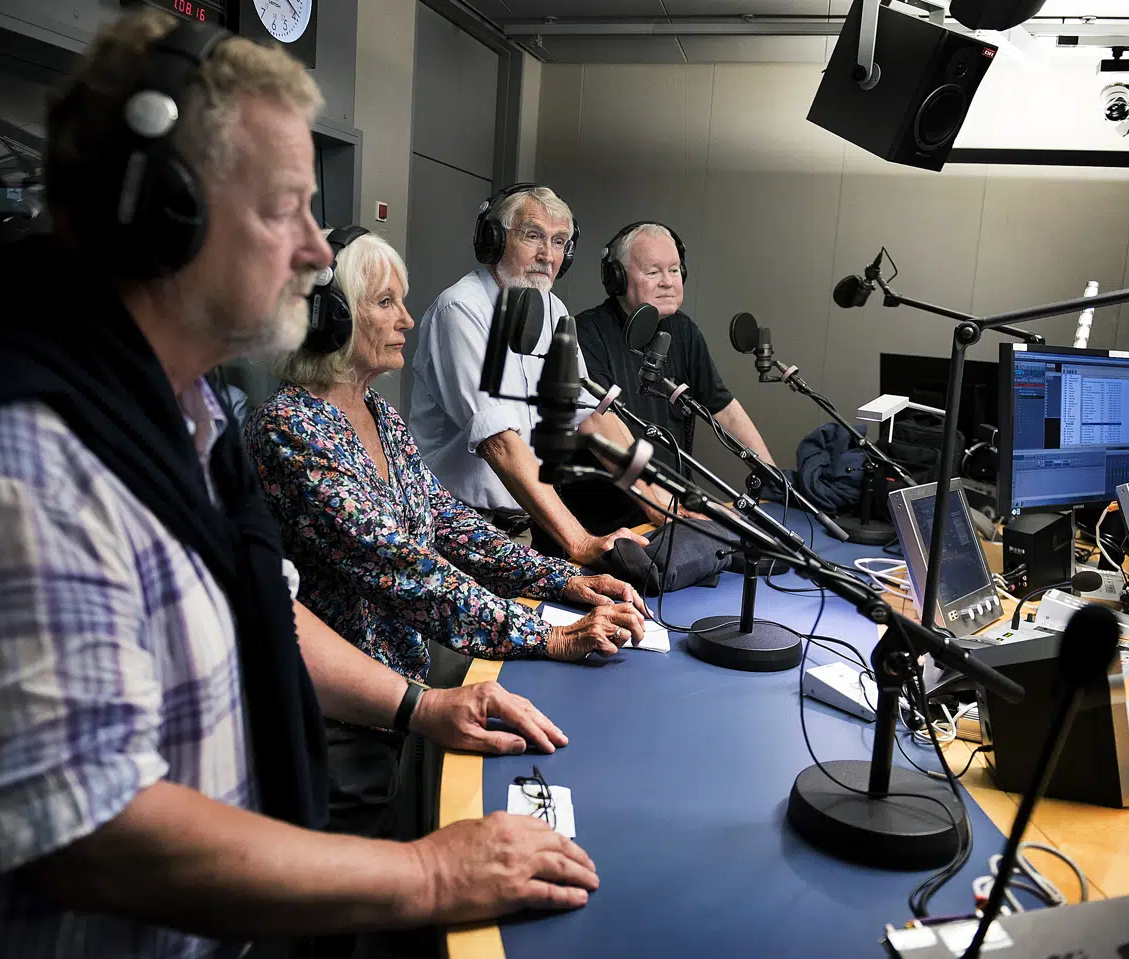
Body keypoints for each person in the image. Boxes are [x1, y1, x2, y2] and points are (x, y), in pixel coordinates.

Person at [0, 14, 597, 959]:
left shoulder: (181, 408)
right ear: (167, 215)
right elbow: (95, 835)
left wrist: (423, 706)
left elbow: (268, 608)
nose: (315, 252)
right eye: (285, 209)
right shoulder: (14, 462)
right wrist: (429, 874)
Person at [249, 226, 649, 838]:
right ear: (329, 317)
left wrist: (565, 579)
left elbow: (447, 524)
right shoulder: (291, 429)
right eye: (386, 303)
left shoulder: (379, 416)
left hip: (397, 699)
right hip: (336, 723)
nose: (407, 320)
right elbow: (401, 568)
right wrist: (545, 635)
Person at [408, 184, 663, 562]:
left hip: (521, 528)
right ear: (494, 240)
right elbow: (499, 441)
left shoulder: (553, 309)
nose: (547, 255)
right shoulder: (460, 309)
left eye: (559, 242)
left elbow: (591, 417)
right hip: (456, 530)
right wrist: (579, 541)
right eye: (533, 236)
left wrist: (661, 503)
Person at [568, 221, 775, 538]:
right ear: (617, 278)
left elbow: (724, 409)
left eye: (675, 270)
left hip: (674, 507)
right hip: (608, 522)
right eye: (653, 272)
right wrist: (657, 504)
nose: (667, 282)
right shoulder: (587, 333)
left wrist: (772, 477)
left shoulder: (684, 331)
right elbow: (598, 427)